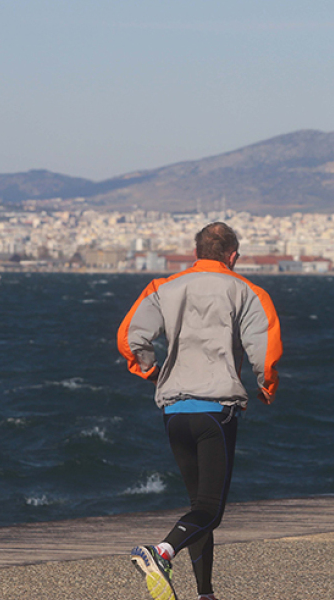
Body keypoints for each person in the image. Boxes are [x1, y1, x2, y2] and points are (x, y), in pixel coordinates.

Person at [117, 222, 282, 600]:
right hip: (215, 411)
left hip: (175, 413)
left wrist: (150, 370)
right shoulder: (248, 292)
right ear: (233, 256)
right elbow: (265, 350)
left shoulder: (163, 287)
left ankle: (205, 594)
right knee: (210, 511)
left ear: (196, 253)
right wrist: (267, 386)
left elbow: (129, 337)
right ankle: (161, 553)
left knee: (198, 509)